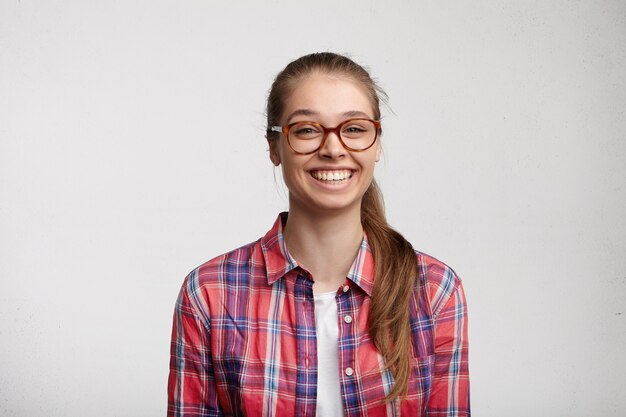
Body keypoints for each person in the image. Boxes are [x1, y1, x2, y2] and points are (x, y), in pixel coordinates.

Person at [168, 52, 470, 417]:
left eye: (355, 129)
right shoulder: (209, 294)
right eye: (307, 130)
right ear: (274, 147)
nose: (332, 148)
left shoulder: (434, 290)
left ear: (377, 144)